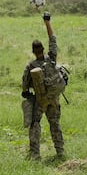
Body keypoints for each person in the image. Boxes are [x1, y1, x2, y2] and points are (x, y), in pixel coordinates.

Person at [21, 12, 64, 161]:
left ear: (33, 52)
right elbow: (53, 39)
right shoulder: (51, 58)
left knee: (35, 124)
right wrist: (47, 22)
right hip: (54, 98)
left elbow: (24, 86)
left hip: (40, 101)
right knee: (55, 125)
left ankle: (35, 154)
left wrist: (26, 92)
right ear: (43, 49)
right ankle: (60, 152)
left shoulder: (31, 66)